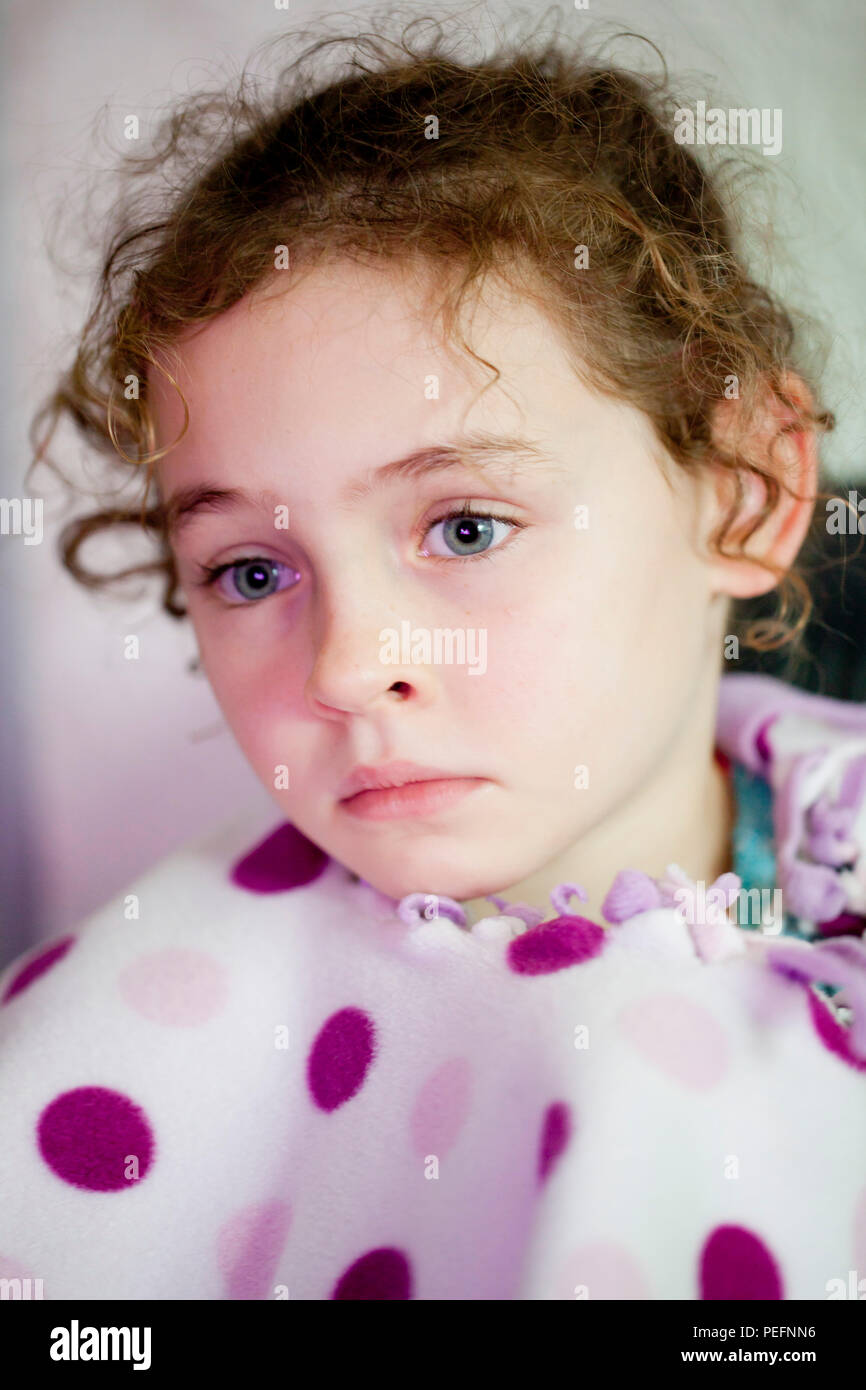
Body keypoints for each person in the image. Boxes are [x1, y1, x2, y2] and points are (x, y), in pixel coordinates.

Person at [3, 18, 865, 1300]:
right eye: (251, 572)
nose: (347, 668)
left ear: (741, 493)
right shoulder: (128, 1037)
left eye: (464, 527)